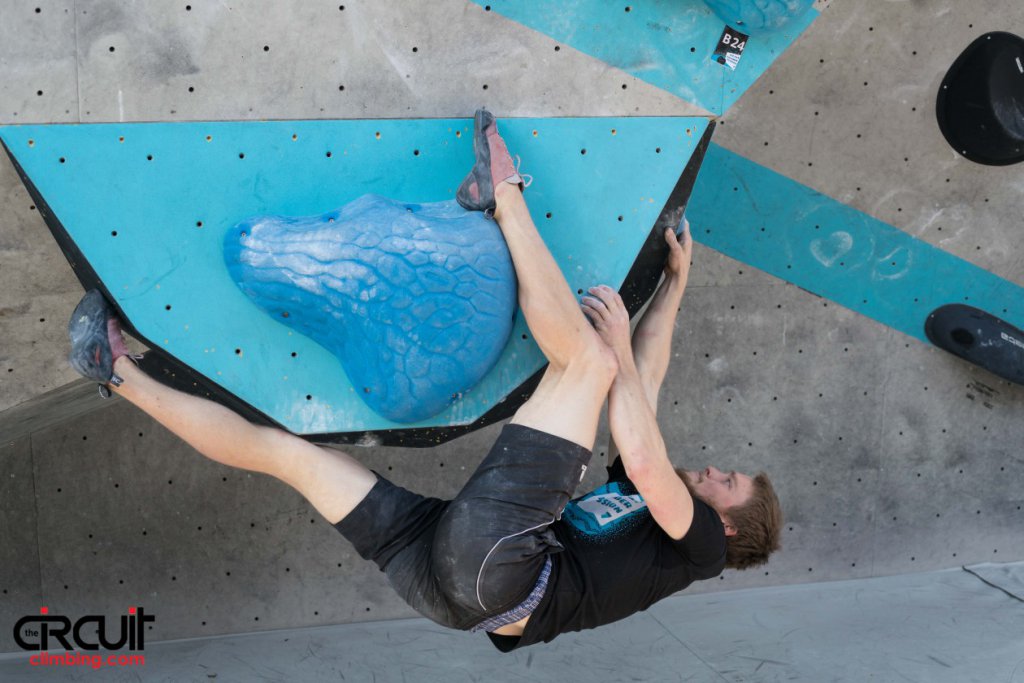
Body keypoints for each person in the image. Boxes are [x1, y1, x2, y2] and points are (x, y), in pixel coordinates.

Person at [66, 110, 782, 651]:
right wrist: (674, 290)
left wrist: (617, 350)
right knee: (292, 456)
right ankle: (114, 366)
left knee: (591, 362)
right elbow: (646, 394)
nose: (715, 468)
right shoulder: (650, 511)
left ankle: (502, 194)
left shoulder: (703, 550)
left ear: (726, 523)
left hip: (502, 569)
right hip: (454, 587)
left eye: (728, 480)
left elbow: (645, 438)